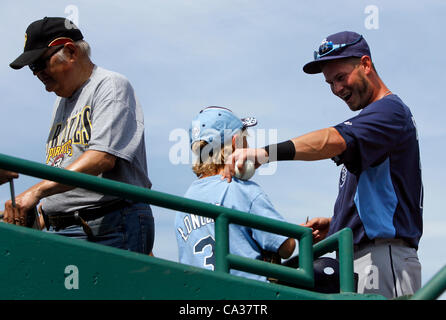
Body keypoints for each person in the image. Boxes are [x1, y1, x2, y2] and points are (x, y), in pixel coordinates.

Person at [223, 31, 423, 298]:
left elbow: (332, 139)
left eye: (341, 77)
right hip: (365, 256)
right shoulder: (376, 119)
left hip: (384, 258)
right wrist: (339, 223)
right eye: (330, 83)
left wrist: (264, 153)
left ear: (365, 64)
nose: (337, 89)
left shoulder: (389, 110)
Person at [4, 17, 154, 254]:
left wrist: (35, 192)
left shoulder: (110, 85)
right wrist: (40, 214)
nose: (37, 74)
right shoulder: (61, 102)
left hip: (107, 225)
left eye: (40, 63)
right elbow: (64, 167)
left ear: (71, 51)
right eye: (32, 68)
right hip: (69, 227)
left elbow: (101, 158)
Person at [175, 106, 295, 282]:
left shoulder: (184, 201)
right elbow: (286, 247)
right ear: (235, 143)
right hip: (247, 296)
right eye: (245, 140)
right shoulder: (243, 190)